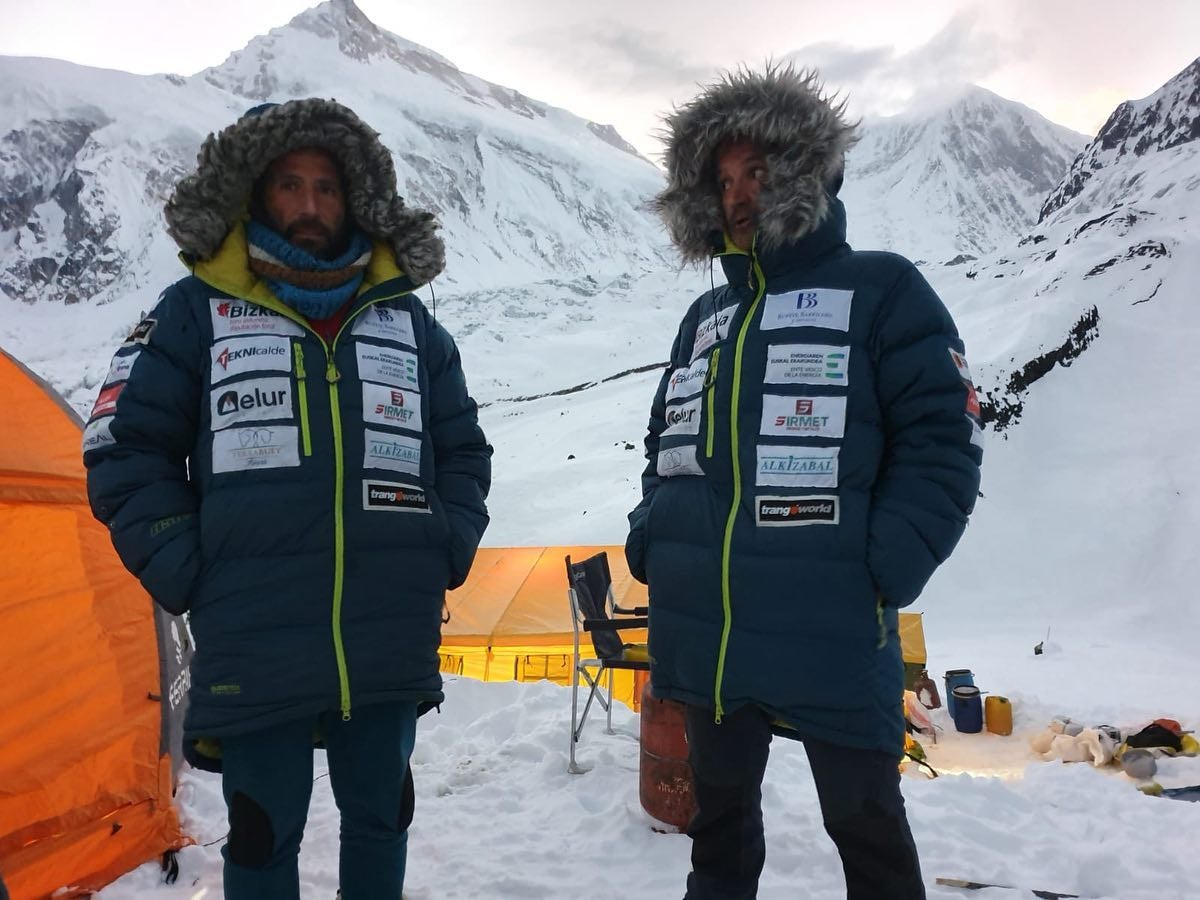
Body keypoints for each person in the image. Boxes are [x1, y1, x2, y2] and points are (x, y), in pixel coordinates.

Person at [83, 98, 492, 899]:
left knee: (384, 819)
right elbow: (122, 445)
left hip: (386, 634)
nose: (309, 207)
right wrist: (189, 569)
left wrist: (446, 544)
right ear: (254, 194)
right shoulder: (193, 313)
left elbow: (463, 449)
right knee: (264, 837)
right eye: (289, 185)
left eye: (328, 189)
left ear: (357, 201)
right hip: (255, 637)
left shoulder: (408, 325)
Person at [625, 66, 983, 899]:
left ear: (804, 172)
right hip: (710, 635)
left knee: (867, 832)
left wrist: (879, 568)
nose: (741, 194)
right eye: (724, 180)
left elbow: (945, 437)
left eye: (757, 172)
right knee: (716, 836)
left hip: (831, 629)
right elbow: (663, 440)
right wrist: (653, 532)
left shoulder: (882, 288)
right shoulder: (705, 317)